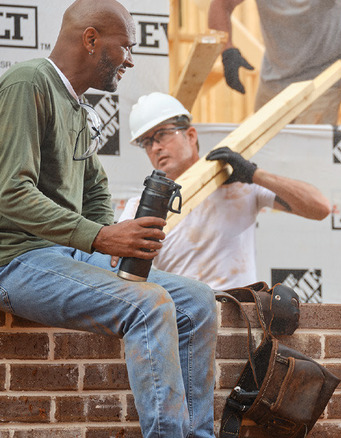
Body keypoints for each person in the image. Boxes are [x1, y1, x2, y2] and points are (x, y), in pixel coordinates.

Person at [0, 1, 218, 437]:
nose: (131, 59)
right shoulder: (28, 84)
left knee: (196, 301)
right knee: (149, 303)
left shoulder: (78, 108)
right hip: (18, 260)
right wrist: (101, 237)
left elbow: (95, 189)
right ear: (91, 40)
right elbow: (10, 193)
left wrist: (117, 248)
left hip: (65, 255)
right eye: (126, 47)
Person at [118, 92, 331, 290]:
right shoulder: (140, 206)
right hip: (184, 314)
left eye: (162, 135)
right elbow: (117, 267)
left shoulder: (239, 186)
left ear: (191, 136)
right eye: (146, 142)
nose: (155, 147)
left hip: (238, 312)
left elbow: (320, 208)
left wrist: (253, 173)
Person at [207, 0, 341, 124]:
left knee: (308, 155)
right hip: (274, 79)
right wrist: (227, 51)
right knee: (263, 154)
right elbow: (221, 6)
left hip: (322, 81)